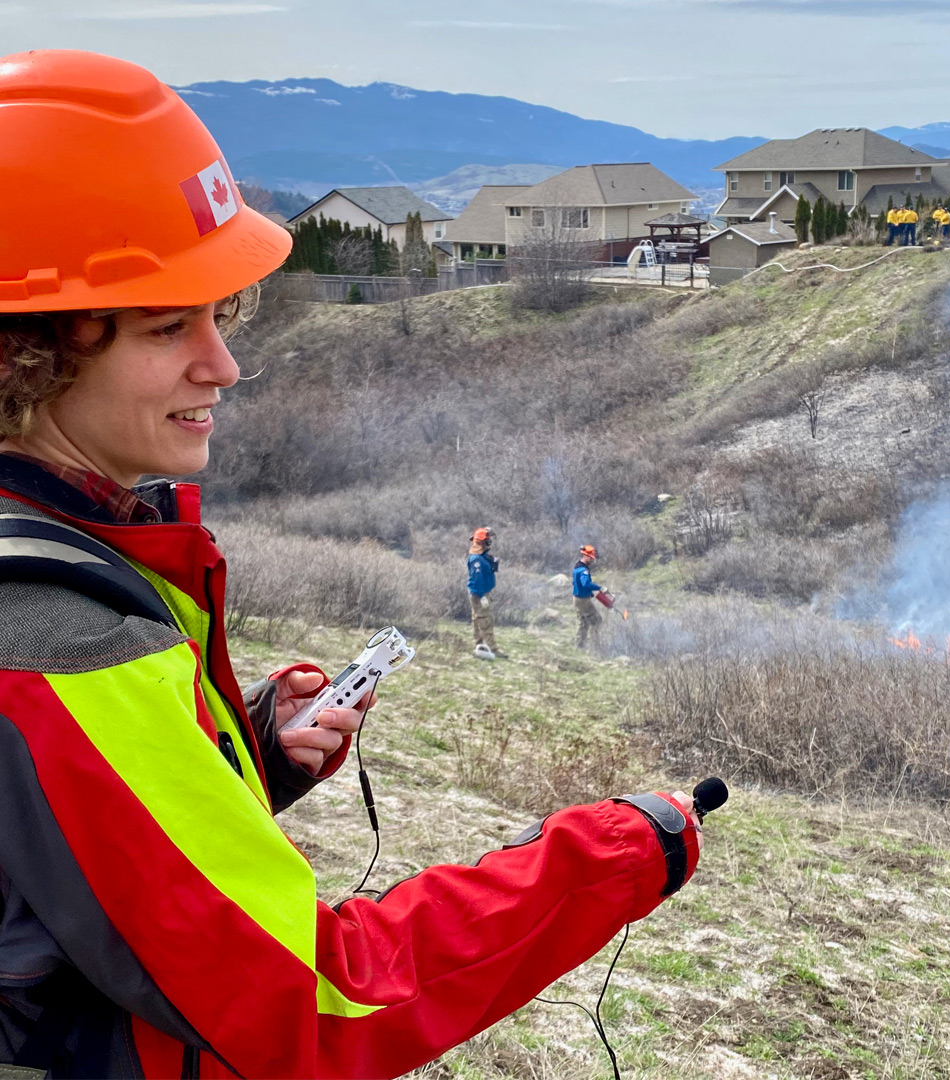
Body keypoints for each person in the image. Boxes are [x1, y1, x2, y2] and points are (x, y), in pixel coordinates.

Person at [0, 51, 702, 1080]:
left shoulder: (58, 558)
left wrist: (249, 757)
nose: (222, 364)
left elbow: (53, 867)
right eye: (165, 326)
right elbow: (317, 1004)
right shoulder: (58, 646)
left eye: (218, 315)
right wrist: (606, 858)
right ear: (24, 354)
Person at [467, 525, 501, 659]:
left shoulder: (482, 557)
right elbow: (476, 581)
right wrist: (481, 597)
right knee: (485, 619)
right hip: (479, 594)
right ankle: (492, 648)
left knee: (477, 619)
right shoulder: (477, 560)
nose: (490, 542)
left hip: (482, 592)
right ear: (483, 542)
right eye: (488, 540)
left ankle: (480, 646)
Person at [572, 544, 605, 649]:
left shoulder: (577, 566)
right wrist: (599, 588)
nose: (591, 560)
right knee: (597, 620)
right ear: (585, 556)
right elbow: (585, 583)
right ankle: (595, 644)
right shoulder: (583, 571)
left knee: (584, 622)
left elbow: (575, 583)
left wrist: (589, 592)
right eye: (590, 558)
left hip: (578, 598)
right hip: (582, 601)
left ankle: (580, 646)